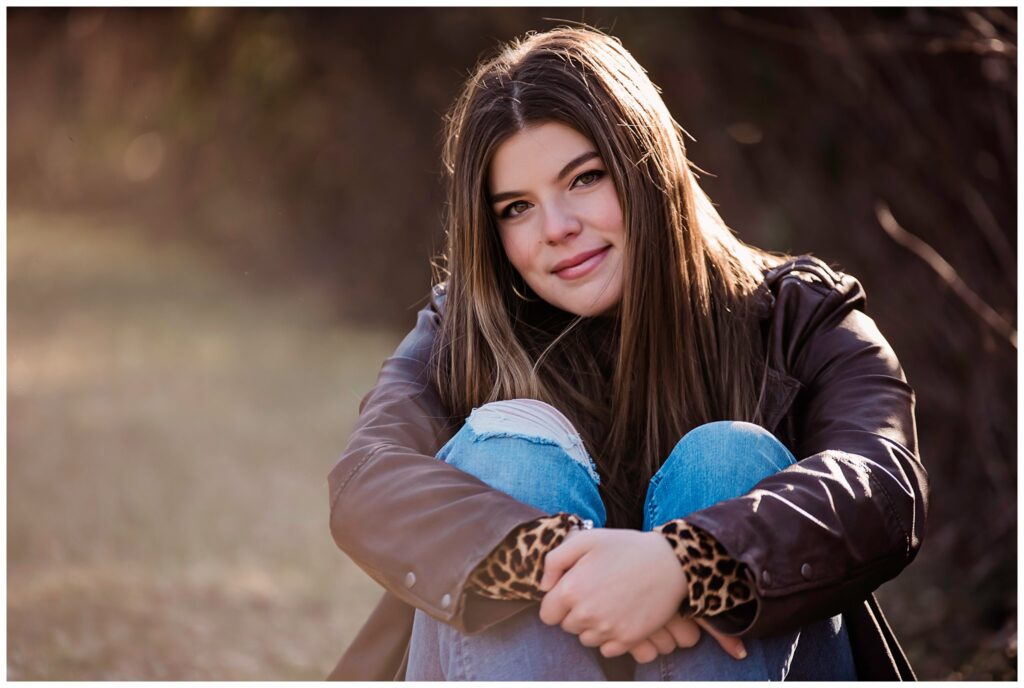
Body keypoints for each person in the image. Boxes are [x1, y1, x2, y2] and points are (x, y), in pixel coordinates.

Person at [327, 26, 927, 681]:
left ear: (647, 164)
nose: (557, 228)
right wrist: (551, 554)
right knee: (510, 450)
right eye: (517, 208)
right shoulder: (462, 331)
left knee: (728, 457)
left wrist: (692, 564)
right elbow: (367, 478)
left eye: (584, 178)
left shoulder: (800, 317)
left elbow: (882, 480)